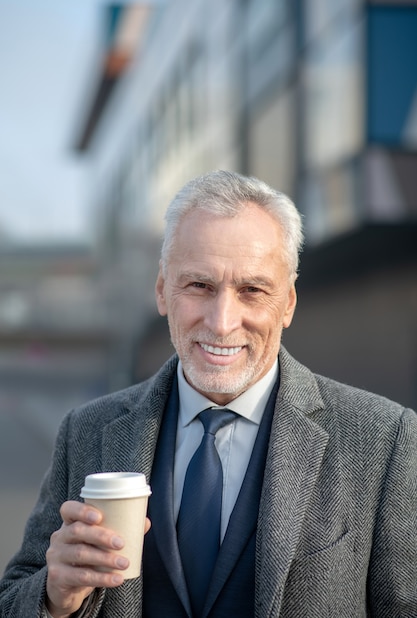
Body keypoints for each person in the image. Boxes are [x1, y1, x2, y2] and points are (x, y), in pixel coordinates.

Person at [0, 170, 416, 617]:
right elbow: (14, 598)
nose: (221, 322)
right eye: (200, 286)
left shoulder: (382, 440)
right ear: (162, 290)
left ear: (289, 303)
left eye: (252, 290)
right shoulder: (86, 431)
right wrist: (53, 597)